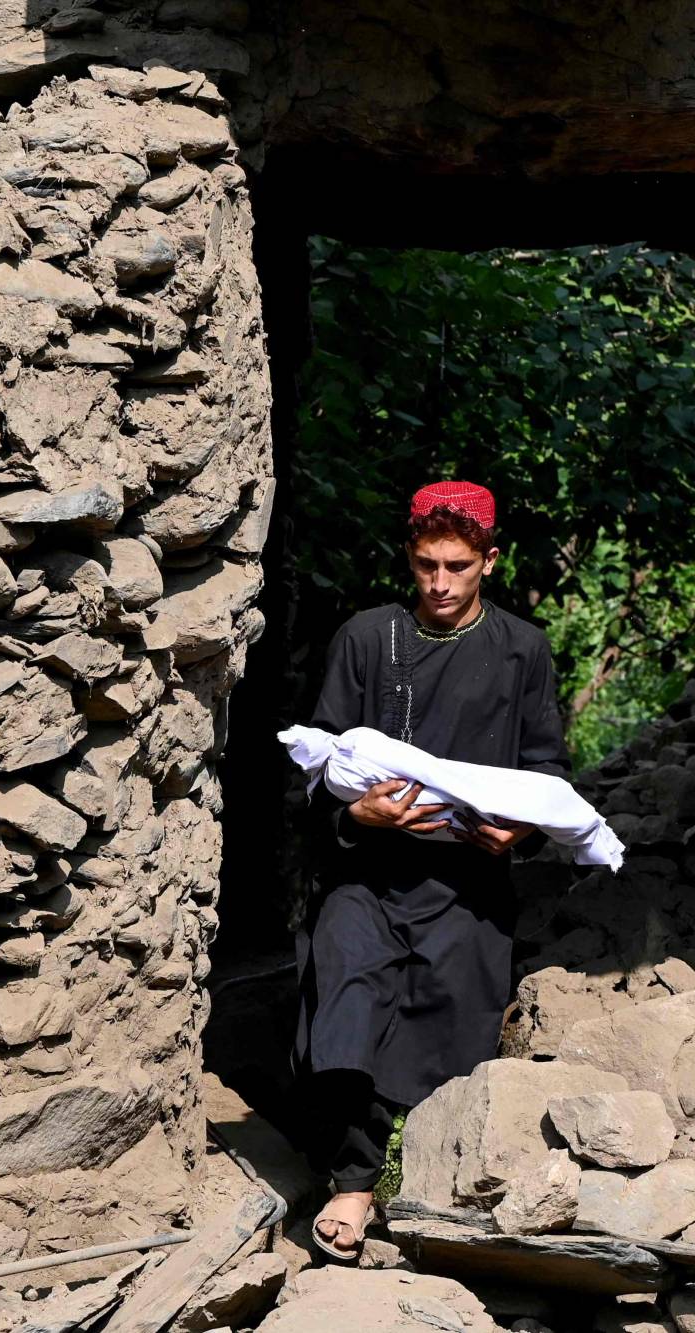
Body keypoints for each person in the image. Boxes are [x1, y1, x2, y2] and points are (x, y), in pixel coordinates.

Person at [293, 480, 567, 1261]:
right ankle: (351, 1180)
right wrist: (357, 813)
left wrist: (519, 826)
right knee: (345, 1005)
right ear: (408, 559)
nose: (440, 583)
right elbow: (316, 762)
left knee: (444, 1027)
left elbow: (547, 767)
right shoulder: (365, 639)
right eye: (425, 566)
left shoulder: (522, 650)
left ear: (491, 560)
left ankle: (413, 1176)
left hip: (466, 883)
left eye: (458, 566)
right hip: (367, 874)